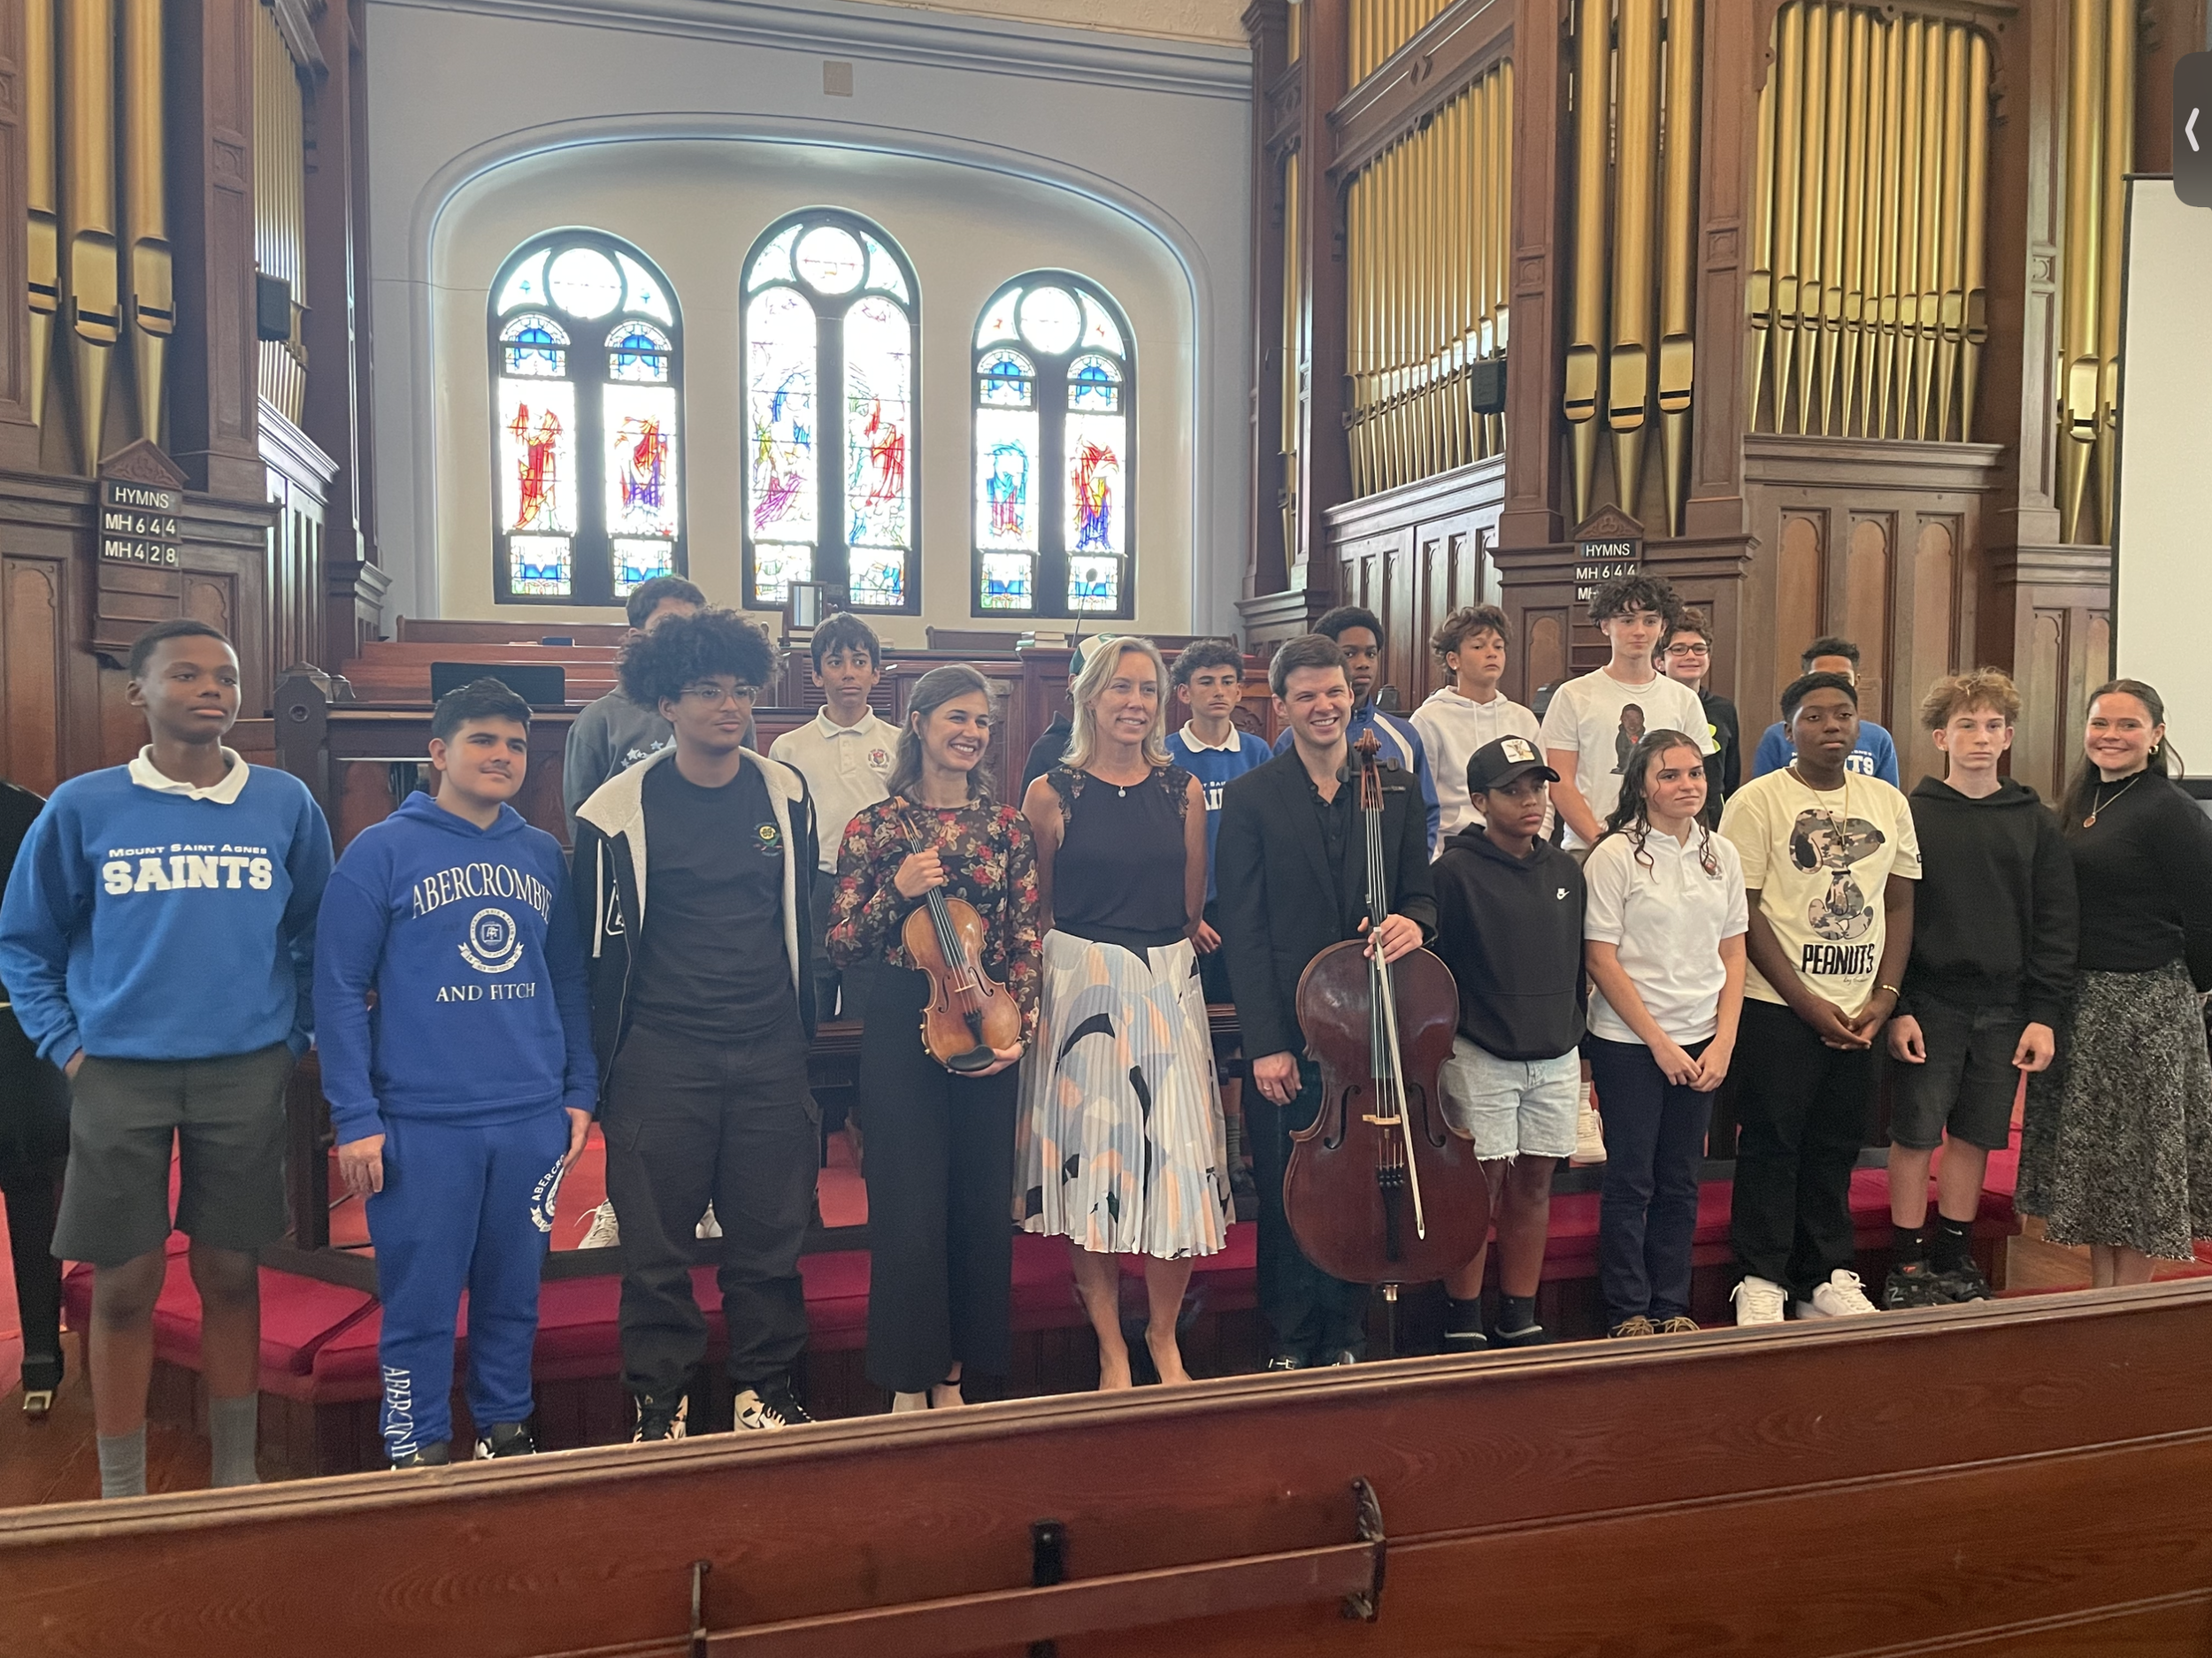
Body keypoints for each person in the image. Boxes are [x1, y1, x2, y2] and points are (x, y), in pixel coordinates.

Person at [0, 618, 332, 1498]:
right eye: (185, 673)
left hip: (243, 1070)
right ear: (138, 692)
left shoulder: (285, 803)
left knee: (230, 1270)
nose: (211, 687)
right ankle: (121, 1487)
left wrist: (289, 1037)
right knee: (124, 1280)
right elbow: (26, 942)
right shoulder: (84, 804)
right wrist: (68, 1049)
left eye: (224, 674)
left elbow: (315, 938)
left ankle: (234, 1470)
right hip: (116, 1072)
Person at [315, 678, 596, 1467]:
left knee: (515, 1295)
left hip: (530, 1115)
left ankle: (508, 1430)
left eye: (515, 744)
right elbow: (337, 990)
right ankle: (415, 1442)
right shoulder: (379, 852)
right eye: (483, 740)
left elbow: (568, 981)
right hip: (420, 1123)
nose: (502, 756)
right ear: (438, 753)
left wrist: (578, 1090)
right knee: (422, 1301)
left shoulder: (542, 853)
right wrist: (356, 1116)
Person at [571, 608, 821, 1439]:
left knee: (770, 1241)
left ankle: (765, 1389)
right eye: (707, 691)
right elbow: (592, 954)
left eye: (742, 691)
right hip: (661, 1058)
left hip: (767, 1051)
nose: (729, 707)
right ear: (665, 704)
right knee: (656, 1253)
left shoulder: (783, 792)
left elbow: (802, 920)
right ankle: (659, 1401)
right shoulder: (614, 812)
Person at [1217, 634, 1434, 1370]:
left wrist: (1414, 922)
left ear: (1353, 695)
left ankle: (1346, 1335)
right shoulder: (1252, 797)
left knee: (1364, 1189)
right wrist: (1267, 1041)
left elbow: (1420, 895)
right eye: (1306, 695)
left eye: (1334, 692)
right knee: (1292, 1191)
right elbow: (1244, 930)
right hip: (1295, 1029)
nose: (1324, 706)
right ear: (1280, 707)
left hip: (1376, 1027)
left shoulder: (1394, 787)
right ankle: (1288, 1340)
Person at [1018, 638, 1229, 1390]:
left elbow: (1190, 902)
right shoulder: (1051, 792)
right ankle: (1111, 1347)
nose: (1135, 703)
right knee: (1093, 1169)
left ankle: (1164, 1337)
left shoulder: (1184, 792)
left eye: (1148, 689)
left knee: (1174, 1167)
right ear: (1089, 698)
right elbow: (1034, 908)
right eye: (1119, 689)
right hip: (1081, 987)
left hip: (1165, 981)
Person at [830, 666, 1041, 1412]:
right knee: (909, 1210)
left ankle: (953, 1374)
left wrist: (1022, 1030)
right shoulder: (874, 827)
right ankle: (905, 1378)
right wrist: (898, 893)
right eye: (956, 717)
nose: (970, 733)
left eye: (981, 722)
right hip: (900, 1024)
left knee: (978, 1209)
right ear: (917, 722)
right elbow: (844, 942)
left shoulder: (1007, 826)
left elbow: (1022, 940)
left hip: (987, 1021)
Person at [1719, 670, 1917, 1324]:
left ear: (1859, 725)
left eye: (1842, 715)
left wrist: (1885, 996)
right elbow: (1744, 912)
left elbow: (1899, 898)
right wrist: (1806, 1003)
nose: (1830, 726)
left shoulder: (1887, 801)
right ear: (1788, 730)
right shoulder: (1755, 802)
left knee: (1835, 1144)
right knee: (1774, 1141)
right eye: (1814, 716)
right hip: (1779, 1006)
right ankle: (1761, 1276)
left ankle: (1825, 1274)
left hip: (1861, 1005)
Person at [1882, 671, 2077, 1309]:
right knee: (1916, 1132)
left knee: (1976, 1135)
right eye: (1966, 725)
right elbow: (1894, 918)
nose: (1980, 737)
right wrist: (1899, 1007)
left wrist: (2043, 1014)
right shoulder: (1912, 814)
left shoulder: (2036, 821)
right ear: (1941, 736)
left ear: (2009, 736)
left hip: (2006, 1007)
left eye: (1993, 726)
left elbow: (2055, 922)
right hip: (1930, 1002)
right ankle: (1907, 1260)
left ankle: (1954, 1254)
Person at [2019, 679, 2212, 1287]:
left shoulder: (2168, 809)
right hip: (2083, 1005)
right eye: (2101, 723)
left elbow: (2207, 910)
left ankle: (2127, 1306)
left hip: (2143, 1011)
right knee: (2103, 1173)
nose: (2112, 736)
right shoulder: (2084, 799)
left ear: (2156, 735)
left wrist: (2185, 989)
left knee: (2138, 1171)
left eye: (2129, 726)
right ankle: (2102, 1298)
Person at [1541, 572, 1714, 1164]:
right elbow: (1559, 779)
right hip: (1588, 851)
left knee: (1648, 969)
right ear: (1606, 624)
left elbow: (1698, 777)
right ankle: (1581, 1108)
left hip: (1666, 854)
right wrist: (1605, 840)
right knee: (1584, 980)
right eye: (1627, 619)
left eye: (1649, 620)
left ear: (1663, 627)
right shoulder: (1577, 695)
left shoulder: (1682, 700)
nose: (1638, 631)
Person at [1581, 730, 1747, 1338]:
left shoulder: (1720, 854)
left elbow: (1735, 952)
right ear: (1642, 784)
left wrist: (1723, 1040)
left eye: (1695, 774)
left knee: (1680, 1178)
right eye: (1670, 775)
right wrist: (1659, 1042)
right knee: (1632, 1177)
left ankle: (1671, 1305)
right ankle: (1628, 1309)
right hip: (1631, 1043)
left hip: (1704, 1038)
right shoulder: (1615, 855)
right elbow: (1601, 958)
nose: (1686, 786)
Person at [1430, 737, 1589, 1350]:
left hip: (1554, 1053)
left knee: (1534, 1186)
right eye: (1513, 790)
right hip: (1481, 1053)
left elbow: (1576, 965)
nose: (1531, 801)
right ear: (1479, 800)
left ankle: (1519, 1313)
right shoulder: (1452, 874)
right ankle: (1462, 1316)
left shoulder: (1564, 871)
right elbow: (1437, 976)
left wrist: (1581, 1052)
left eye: (1538, 788)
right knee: (1478, 1190)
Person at [1167, 638, 1271, 1217]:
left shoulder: (1254, 752)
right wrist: (1190, 918)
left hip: (1243, 917)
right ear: (1184, 694)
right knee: (1192, 1041)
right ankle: (1197, 1152)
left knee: (1237, 1039)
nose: (1218, 691)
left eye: (1228, 681)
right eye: (1205, 681)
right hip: (1189, 918)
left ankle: (1232, 1154)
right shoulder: (1166, 755)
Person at [770, 612, 899, 1022]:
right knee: (813, 995)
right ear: (816, 675)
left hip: (877, 888)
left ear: (876, 674)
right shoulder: (789, 749)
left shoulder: (899, 744)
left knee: (869, 1003)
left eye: (860, 662)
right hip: (816, 884)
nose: (849, 673)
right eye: (835, 662)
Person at [0, 779, 69, 1418]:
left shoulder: (29, 816)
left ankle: (42, 1352)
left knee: (28, 1185)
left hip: (12, 1030)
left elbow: (57, 931)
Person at [1272, 604, 1440, 853]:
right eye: (1350, 654)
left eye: (1371, 654)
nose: (1363, 664)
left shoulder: (1405, 734)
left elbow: (1425, 813)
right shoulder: (1291, 739)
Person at [561, 575, 715, 837]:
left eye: (691, 629)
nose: (681, 641)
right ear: (637, 637)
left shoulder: (725, 711)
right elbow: (582, 823)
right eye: (666, 627)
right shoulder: (599, 721)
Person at [1409, 603, 1546, 843]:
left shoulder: (1522, 719)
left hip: (1518, 847)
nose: (1491, 653)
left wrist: (1536, 847)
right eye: (1478, 646)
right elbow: (1418, 801)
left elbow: (1543, 793)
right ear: (1454, 660)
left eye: (1498, 646)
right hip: (1453, 846)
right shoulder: (1429, 719)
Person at [1748, 637, 1901, 786]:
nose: (1831, 685)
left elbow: (1887, 800)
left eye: (1843, 678)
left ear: (1857, 682)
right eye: (1821, 677)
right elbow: (1763, 793)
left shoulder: (1878, 738)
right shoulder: (1777, 737)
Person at [1659, 608, 1740, 823]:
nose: (1690, 656)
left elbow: (1731, 777)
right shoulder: (1651, 705)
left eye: (1698, 649)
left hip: (1712, 820)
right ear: (1659, 661)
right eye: (1679, 649)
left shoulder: (1723, 709)